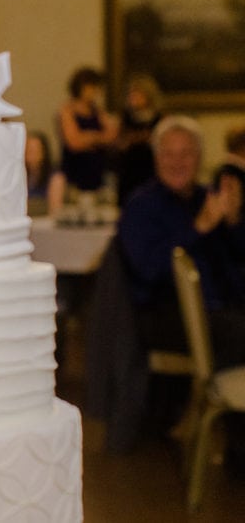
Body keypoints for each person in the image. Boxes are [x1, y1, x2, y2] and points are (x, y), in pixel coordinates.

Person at [118, 116, 245, 445]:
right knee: (238, 332)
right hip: (162, 314)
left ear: (200, 158)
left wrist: (232, 224)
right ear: (157, 158)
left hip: (218, 310)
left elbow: (236, 269)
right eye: (169, 154)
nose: (178, 162)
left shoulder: (210, 198)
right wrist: (198, 229)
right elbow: (149, 269)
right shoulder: (141, 205)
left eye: (186, 153)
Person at [57, 66, 118, 193]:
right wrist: (97, 138)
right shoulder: (67, 110)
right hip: (75, 171)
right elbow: (74, 143)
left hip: (97, 172)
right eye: (90, 87)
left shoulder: (97, 111)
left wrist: (88, 136)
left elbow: (111, 137)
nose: (94, 91)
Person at [116, 73, 163, 206]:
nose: (133, 98)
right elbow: (121, 142)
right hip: (129, 171)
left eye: (137, 94)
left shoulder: (159, 118)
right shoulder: (126, 118)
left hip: (150, 169)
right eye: (131, 94)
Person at [25, 130, 66, 217]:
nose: (30, 155)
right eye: (28, 150)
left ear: (43, 152)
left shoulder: (55, 177)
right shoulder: (19, 175)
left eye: (34, 151)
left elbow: (55, 210)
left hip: (44, 224)